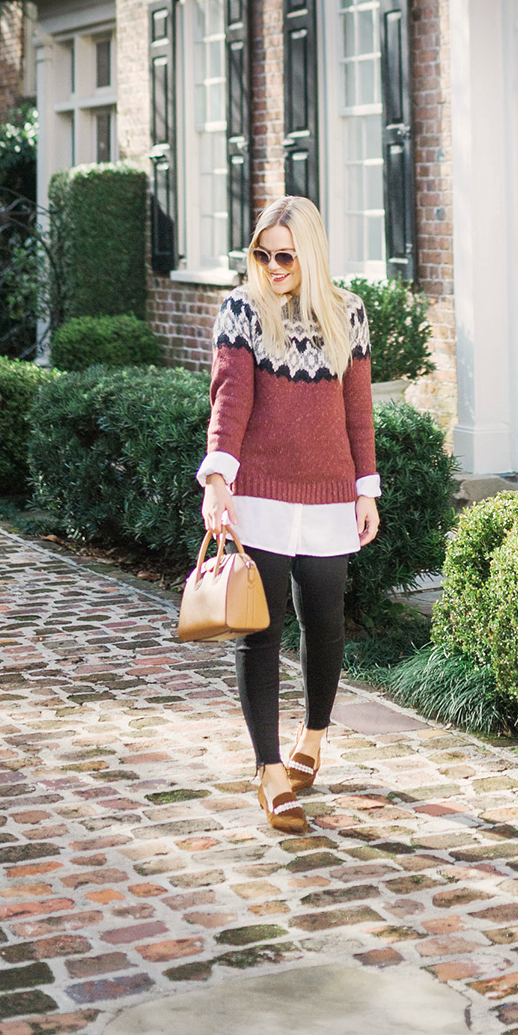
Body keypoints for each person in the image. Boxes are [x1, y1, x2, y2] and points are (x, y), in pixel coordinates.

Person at [197, 194, 380, 835]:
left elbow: (358, 409)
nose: (272, 266)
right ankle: (269, 768)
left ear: (311, 253)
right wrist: (218, 479)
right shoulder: (242, 312)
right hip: (260, 495)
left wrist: (366, 489)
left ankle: (316, 735)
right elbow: (230, 399)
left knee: (325, 622)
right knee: (262, 630)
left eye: (285, 255)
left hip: (331, 497)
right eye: (262, 254)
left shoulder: (348, 313)